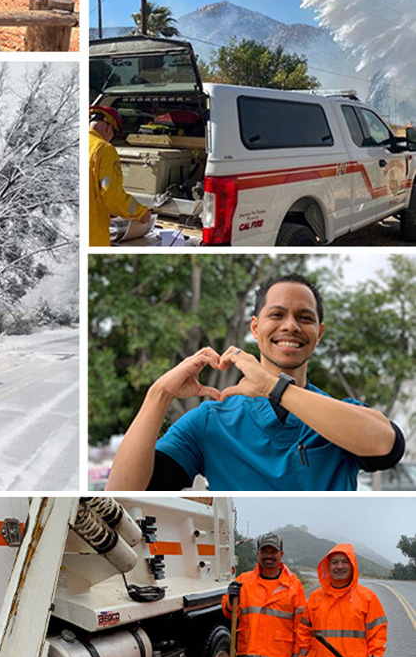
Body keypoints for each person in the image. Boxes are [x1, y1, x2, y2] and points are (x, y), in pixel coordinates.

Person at [106, 274, 405, 494]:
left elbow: (388, 445)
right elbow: (123, 492)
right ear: (254, 326)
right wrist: (159, 394)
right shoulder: (209, 421)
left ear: (319, 333)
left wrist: (274, 387)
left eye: (305, 318)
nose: (291, 326)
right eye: (277, 314)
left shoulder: (339, 415)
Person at [89, 104, 149, 246]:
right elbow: (111, 195)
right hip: (93, 235)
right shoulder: (104, 149)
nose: (112, 139)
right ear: (109, 128)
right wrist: (141, 213)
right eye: (115, 134)